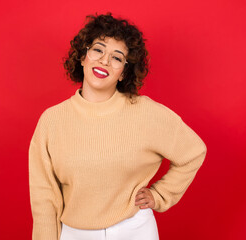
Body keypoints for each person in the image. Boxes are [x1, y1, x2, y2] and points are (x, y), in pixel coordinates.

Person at [28, 12, 207, 240]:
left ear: (123, 72)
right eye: (98, 49)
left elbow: (193, 152)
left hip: (134, 231)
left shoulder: (145, 112)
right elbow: (45, 198)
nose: (104, 60)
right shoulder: (52, 121)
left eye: (117, 57)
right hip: (75, 234)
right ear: (83, 57)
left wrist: (160, 194)